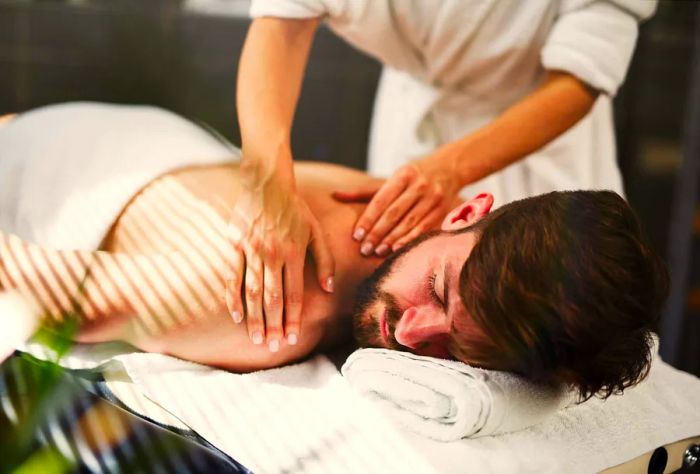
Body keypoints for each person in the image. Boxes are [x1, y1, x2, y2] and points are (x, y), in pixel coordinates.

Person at [0, 104, 667, 400]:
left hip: (140, 136)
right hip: (35, 157)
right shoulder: (259, 306)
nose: (408, 332)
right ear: (466, 211)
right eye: (436, 292)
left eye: (456, 351)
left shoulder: (400, 214)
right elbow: (34, 287)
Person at [231, 0, 658, 348]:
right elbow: (282, 24)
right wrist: (268, 180)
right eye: (434, 285)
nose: (408, 332)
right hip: (416, 109)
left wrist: (451, 168)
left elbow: (579, 80)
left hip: (537, 137)